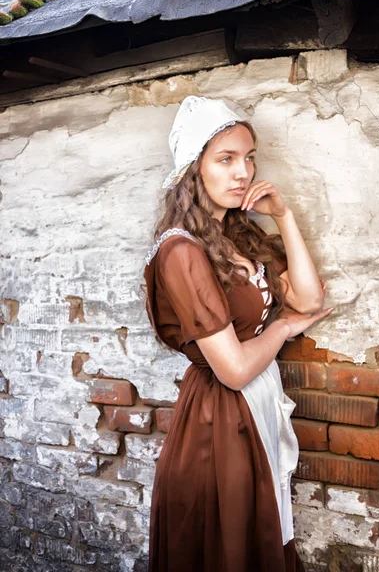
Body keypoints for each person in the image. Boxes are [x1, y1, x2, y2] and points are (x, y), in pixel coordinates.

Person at [143, 96, 332, 572]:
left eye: (249, 158)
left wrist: (283, 215)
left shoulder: (239, 237)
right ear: (194, 169)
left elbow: (309, 300)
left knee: (256, 543)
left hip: (255, 410)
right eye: (225, 159)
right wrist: (286, 326)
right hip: (217, 422)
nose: (243, 172)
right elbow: (233, 369)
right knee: (231, 552)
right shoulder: (181, 252)